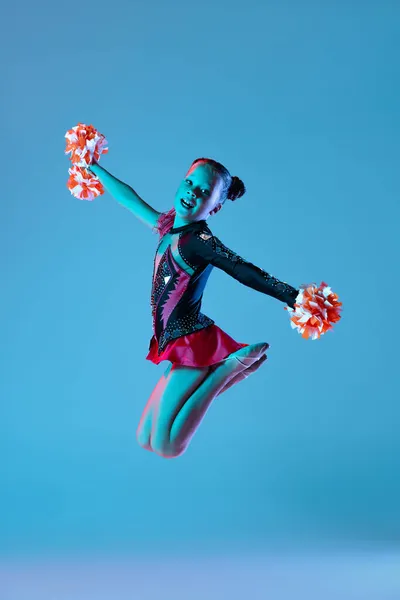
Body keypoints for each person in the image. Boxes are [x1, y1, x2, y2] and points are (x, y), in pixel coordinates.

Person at [89, 158, 299, 458]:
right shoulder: (167, 228)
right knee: (143, 438)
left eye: (203, 192)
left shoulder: (200, 241)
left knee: (167, 445)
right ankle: (227, 371)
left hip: (193, 345)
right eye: (189, 183)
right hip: (175, 343)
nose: (192, 192)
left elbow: (242, 269)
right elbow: (128, 198)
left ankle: (227, 368)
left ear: (214, 208)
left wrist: (292, 297)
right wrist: (94, 168)